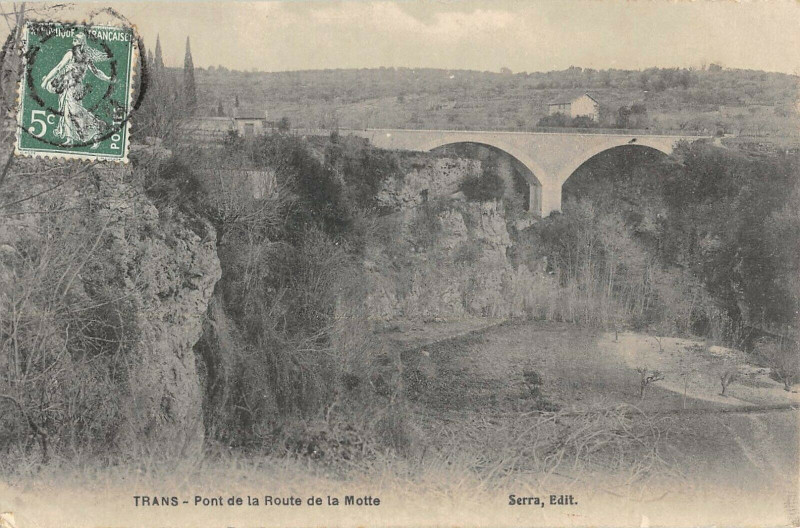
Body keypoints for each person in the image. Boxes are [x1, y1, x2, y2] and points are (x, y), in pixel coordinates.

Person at [40, 32, 113, 148]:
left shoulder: (85, 56)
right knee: (66, 113)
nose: (74, 40)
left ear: (82, 42)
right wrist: (46, 80)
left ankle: (96, 130)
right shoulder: (70, 54)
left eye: (77, 39)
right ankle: (69, 139)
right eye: (74, 38)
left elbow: (96, 71)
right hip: (67, 86)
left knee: (76, 112)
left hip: (76, 88)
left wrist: (107, 78)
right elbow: (59, 67)